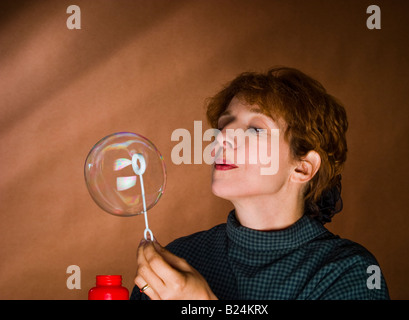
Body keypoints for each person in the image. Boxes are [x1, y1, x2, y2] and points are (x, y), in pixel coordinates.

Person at [130, 67, 389, 300]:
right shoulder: (181, 258)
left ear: (302, 167)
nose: (222, 139)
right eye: (223, 127)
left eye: (255, 129)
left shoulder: (347, 272)